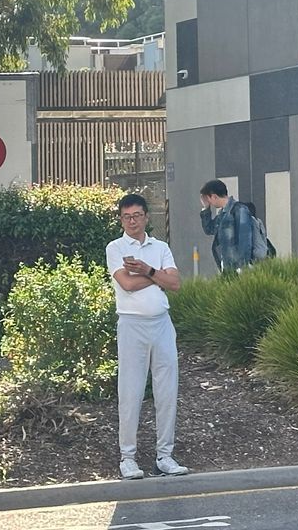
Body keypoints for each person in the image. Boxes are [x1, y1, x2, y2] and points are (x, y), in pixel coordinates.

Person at [105, 191, 189, 479]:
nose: (132, 221)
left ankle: (164, 455)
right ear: (121, 219)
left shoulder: (160, 247)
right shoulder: (115, 247)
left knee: (167, 391)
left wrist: (148, 269)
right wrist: (157, 277)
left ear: (145, 217)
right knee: (130, 392)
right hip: (132, 325)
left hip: (162, 324)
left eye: (137, 216)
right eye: (126, 217)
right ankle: (128, 458)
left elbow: (175, 283)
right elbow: (126, 284)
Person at [198, 178, 256, 272]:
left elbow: (245, 240)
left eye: (208, 199)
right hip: (226, 267)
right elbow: (209, 229)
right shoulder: (222, 214)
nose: (210, 203)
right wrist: (206, 208)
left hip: (238, 268)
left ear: (214, 196)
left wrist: (241, 267)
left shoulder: (239, 210)